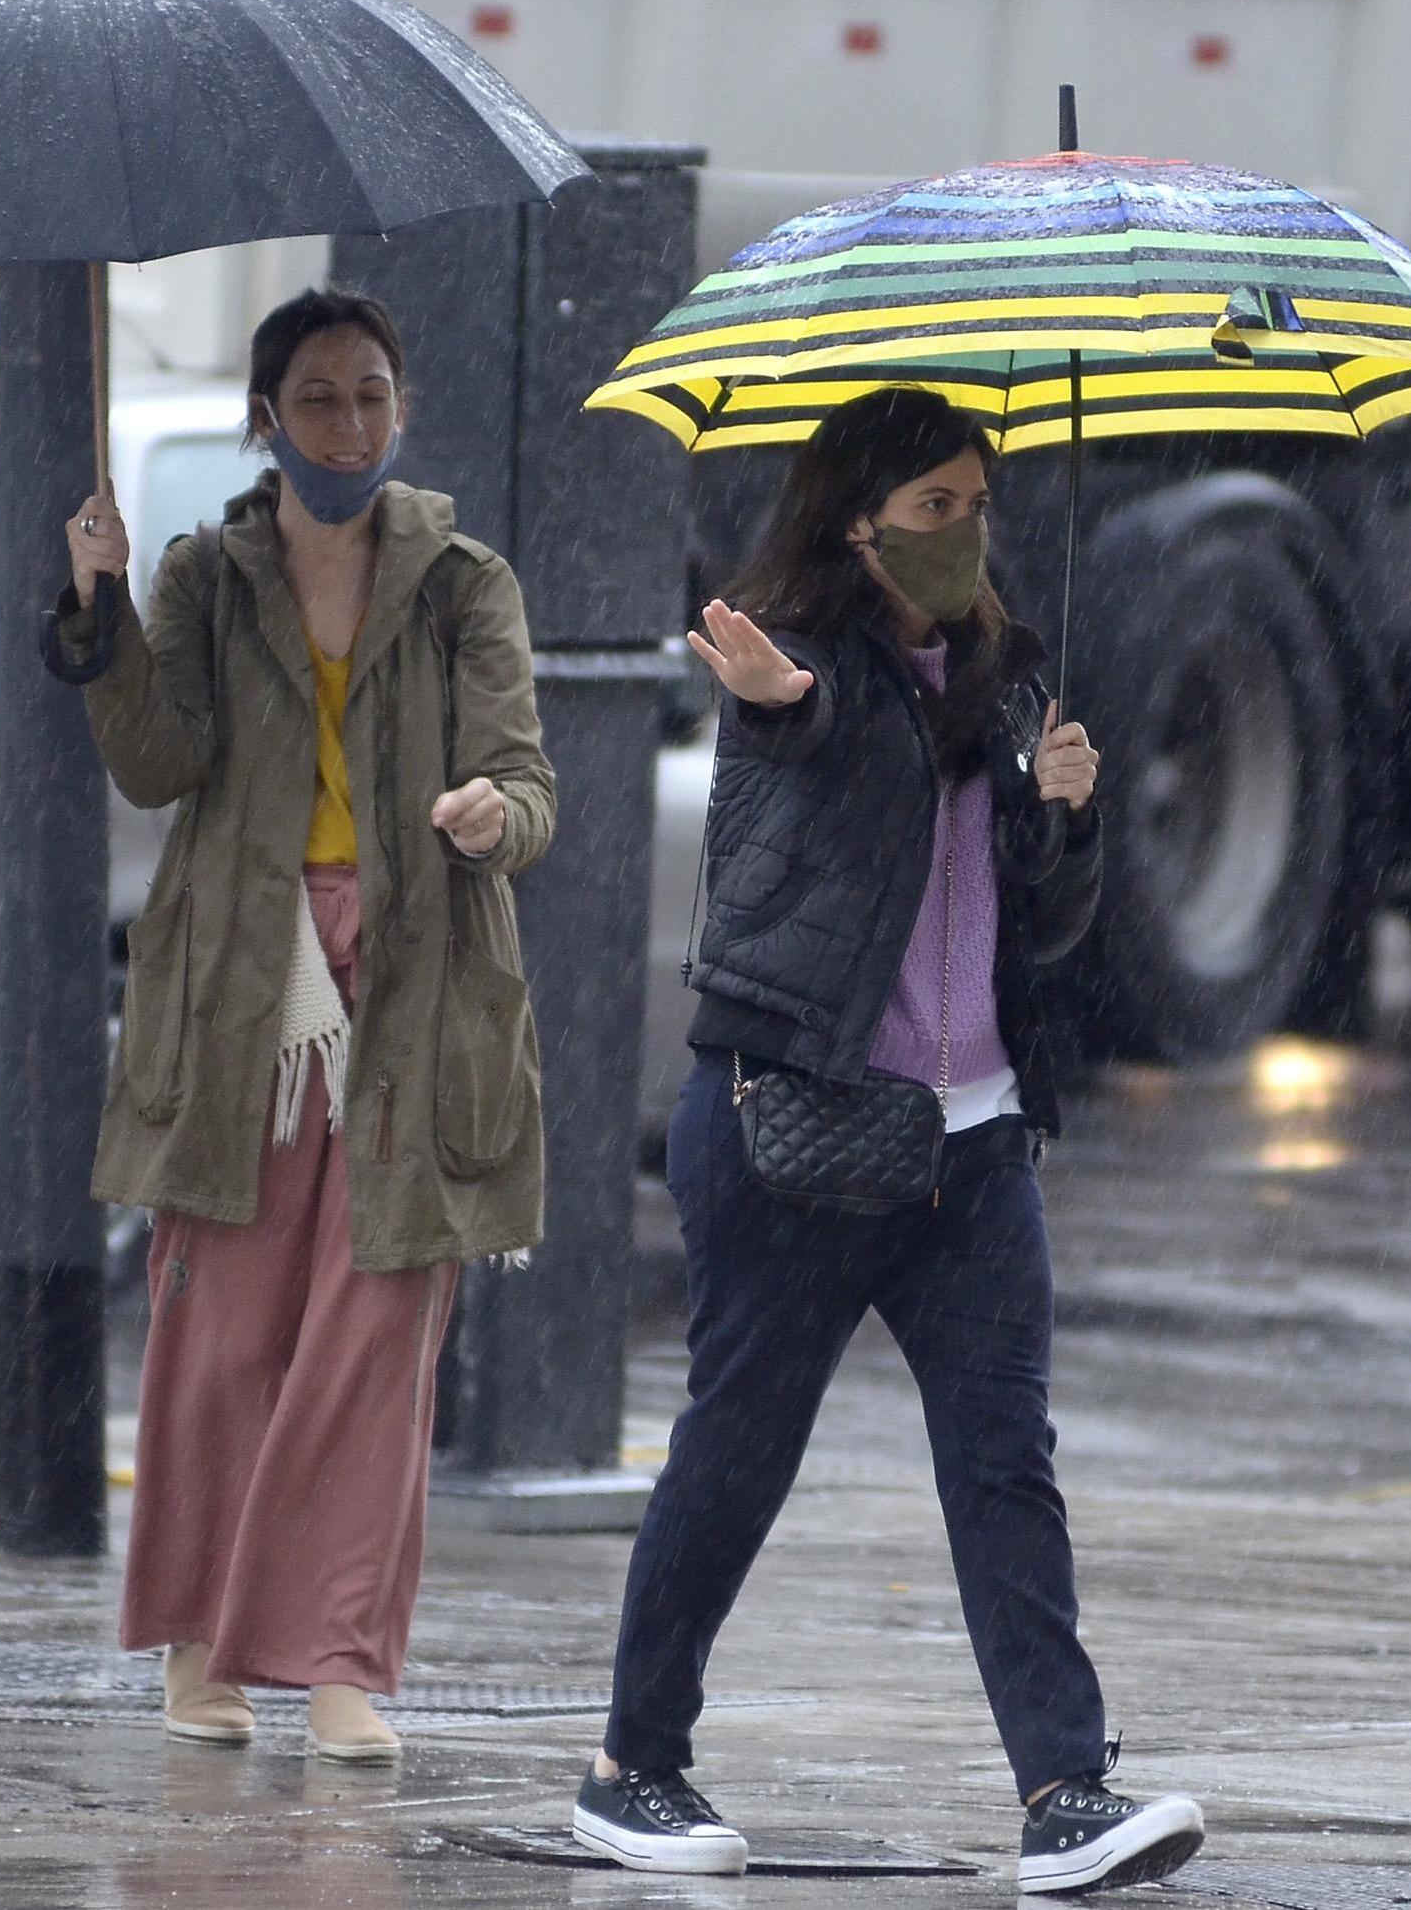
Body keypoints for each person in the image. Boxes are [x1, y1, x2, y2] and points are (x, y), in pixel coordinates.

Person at [566, 387, 1204, 1893]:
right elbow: (819, 752)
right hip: (795, 1122)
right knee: (738, 1450)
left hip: (972, 1147)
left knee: (1004, 1465)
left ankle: (1066, 1789)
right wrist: (791, 705)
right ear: (857, 523)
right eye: (933, 509)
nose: (962, 532)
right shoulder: (797, 660)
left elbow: (1043, 934)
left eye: (977, 503)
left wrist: (1068, 815)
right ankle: (631, 1765)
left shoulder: (1010, 673)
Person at [45, 287, 552, 1765]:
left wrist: (486, 815)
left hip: (419, 990)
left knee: (374, 1332)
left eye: (373, 395)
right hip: (247, 990)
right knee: (226, 1338)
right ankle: (202, 1644)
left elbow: (530, 784)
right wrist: (100, 613)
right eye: (319, 400)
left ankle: (336, 1662)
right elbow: (158, 763)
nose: (351, 425)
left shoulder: (465, 583)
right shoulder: (206, 578)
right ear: (265, 420)